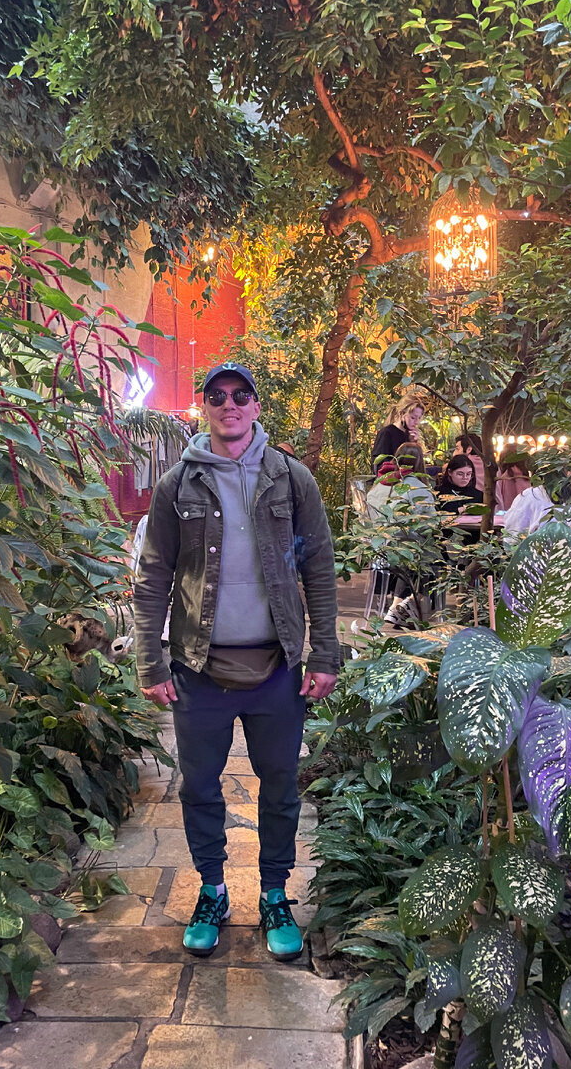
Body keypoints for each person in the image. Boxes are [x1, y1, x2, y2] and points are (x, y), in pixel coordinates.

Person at [133, 363, 338, 961]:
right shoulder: (177, 485)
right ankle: (213, 891)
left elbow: (319, 568)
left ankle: (274, 893)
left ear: (255, 406)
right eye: (217, 395)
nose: (230, 403)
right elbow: (154, 577)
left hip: (277, 670)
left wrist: (324, 653)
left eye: (240, 395)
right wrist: (150, 661)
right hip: (198, 670)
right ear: (205, 407)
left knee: (280, 787)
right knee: (199, 787)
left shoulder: (291, 479)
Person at [366, 443, 437, 627]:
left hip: (379, 546)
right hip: (404, 547)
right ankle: (405, 606)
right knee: (432, 558)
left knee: (412, 553)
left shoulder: (380, 483)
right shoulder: (418, 488)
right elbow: (431, 523)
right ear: (420, 463)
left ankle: (402, 607)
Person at [438, 454, 484, 547]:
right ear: (450, 472)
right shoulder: (439, 493)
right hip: (445, 539)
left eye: (469, 474)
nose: (465, 477)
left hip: (474, 540)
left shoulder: (478, 494)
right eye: (460, 474)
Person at [370, 393, 425, 469]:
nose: (416, 422)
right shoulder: (386, 433)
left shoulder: (409, 435)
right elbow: (377, 464)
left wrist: (414, 444)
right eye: (413, 418)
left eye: (419, 418)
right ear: (402, 414)